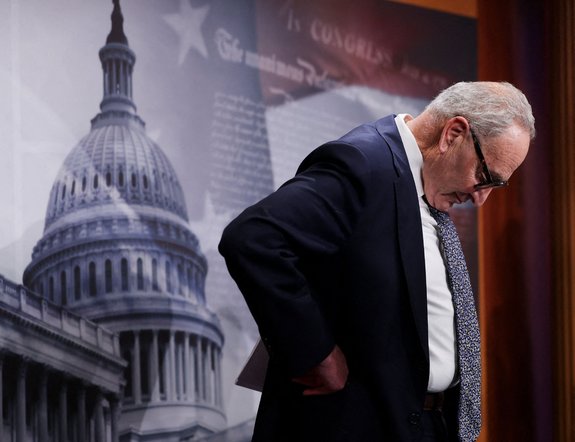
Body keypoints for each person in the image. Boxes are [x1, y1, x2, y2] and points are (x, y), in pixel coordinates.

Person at [218, 81, 535, 442]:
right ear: (453, 134)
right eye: (483, 178)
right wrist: (312, 351)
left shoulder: (428, 185)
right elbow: (253, 238)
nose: (480, 200)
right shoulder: (363, 164)